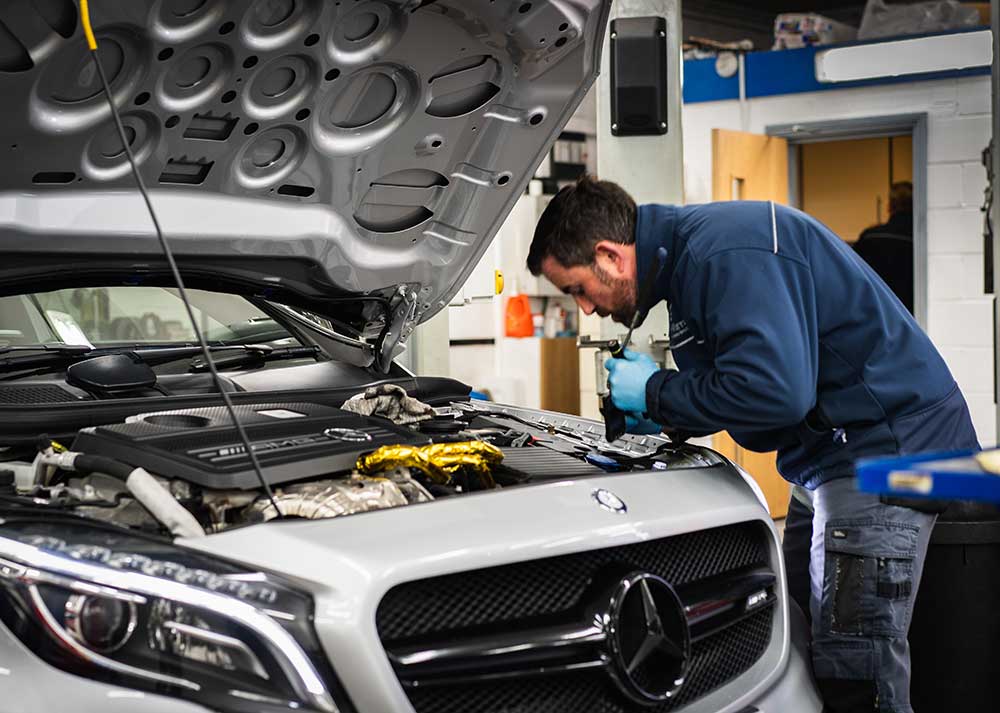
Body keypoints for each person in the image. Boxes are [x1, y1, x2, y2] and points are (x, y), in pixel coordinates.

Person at [527, 175, 980, 713]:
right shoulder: (689, 268)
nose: (585, 308)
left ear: (609, 256)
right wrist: (664, 414)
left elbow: (776, 394)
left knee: (857, 672)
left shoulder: (723, 253)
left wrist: (656, 390)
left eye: (578, 289)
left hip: (883, 452)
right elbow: (745, 392)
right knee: (799, 639)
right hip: (827, 457)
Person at [853, 181, 915, 313]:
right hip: (912, 314)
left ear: (890, 206)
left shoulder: (870, 237)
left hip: (878, 312)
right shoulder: (922, 241)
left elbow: (854, 277)